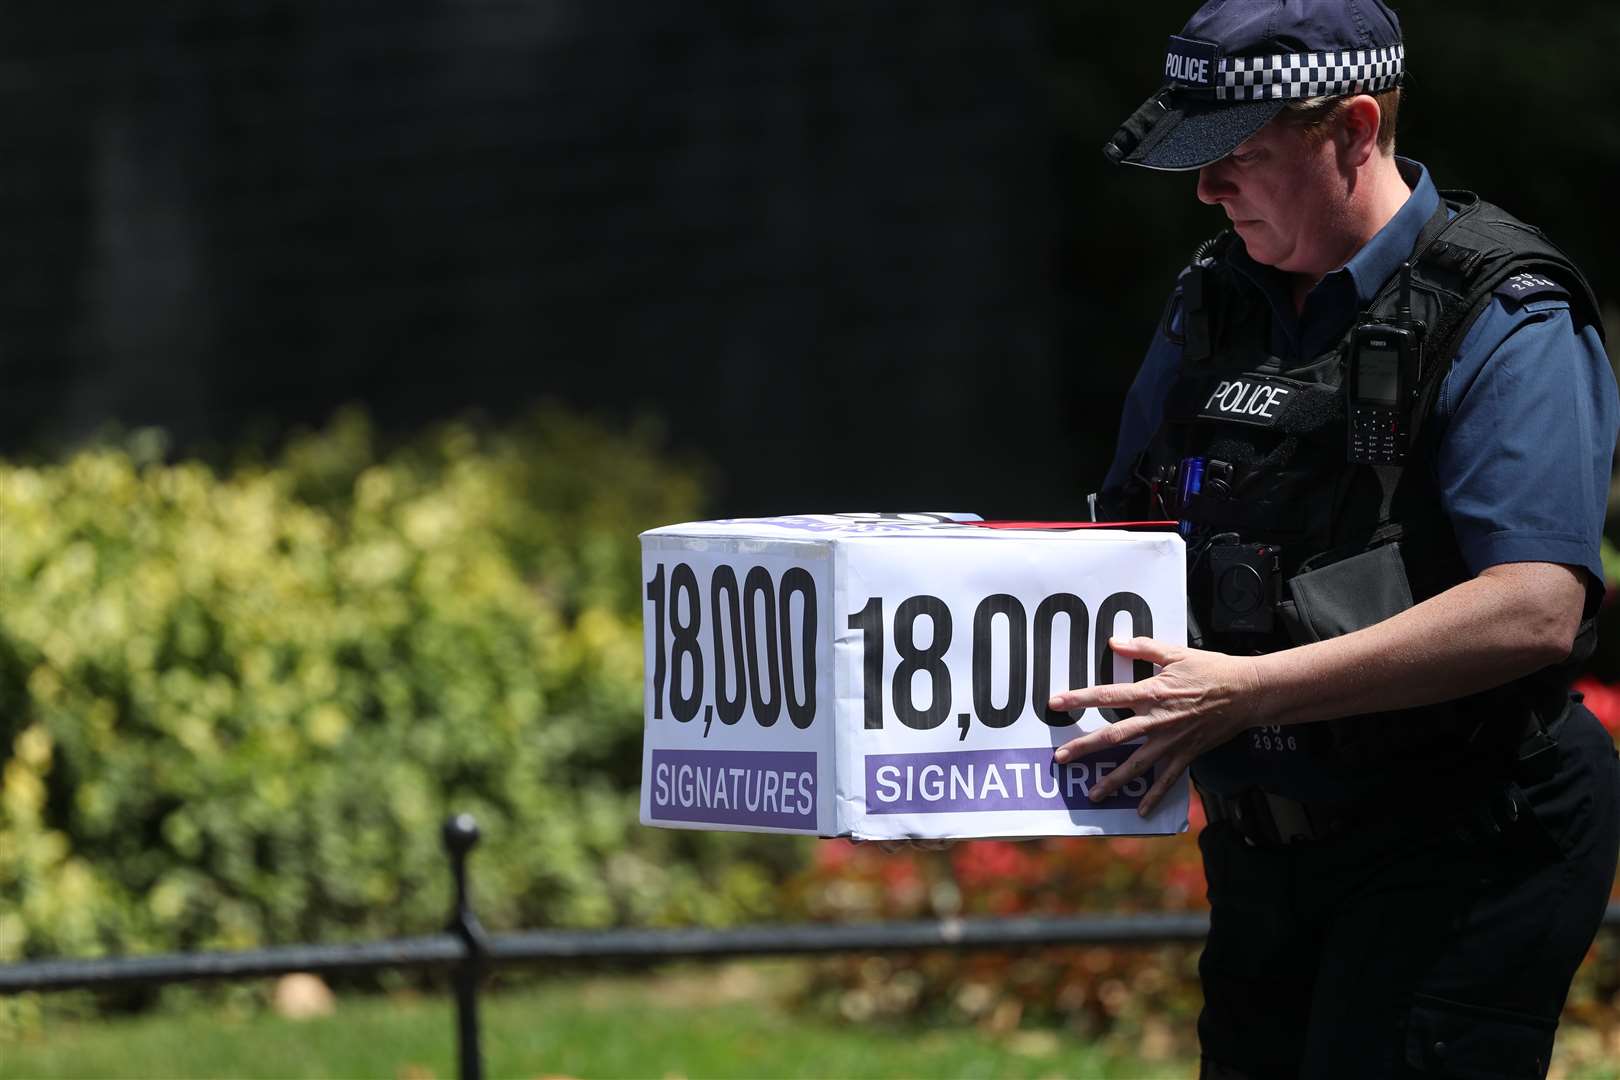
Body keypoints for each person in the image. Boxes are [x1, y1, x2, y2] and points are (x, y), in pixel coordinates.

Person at [1046, 1, 1620, 1076]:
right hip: (1272, 845)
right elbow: (1123, 530)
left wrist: (1247, 691)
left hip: (1467, 835)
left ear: (1353, 129)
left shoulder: (1506, 313)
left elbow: (1538, 604)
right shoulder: (1217, 301)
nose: (1206, 189)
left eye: (1239, 157)